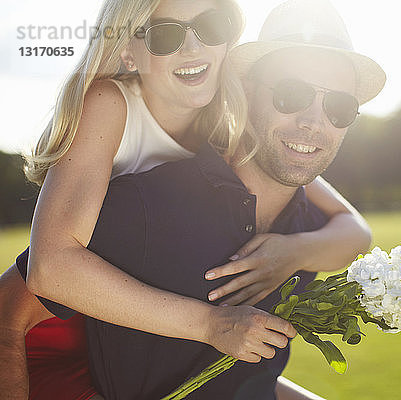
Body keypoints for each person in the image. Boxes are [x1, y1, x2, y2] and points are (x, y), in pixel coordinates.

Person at [0, 0, 373, 398]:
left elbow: (350, 226)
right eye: (166, 35)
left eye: (211, 26)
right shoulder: (110, 105)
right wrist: (211, 325)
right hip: (71, 327)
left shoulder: (225, 120)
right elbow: (50, 268)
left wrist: (294, 252)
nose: (193, 49)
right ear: (128, 49)